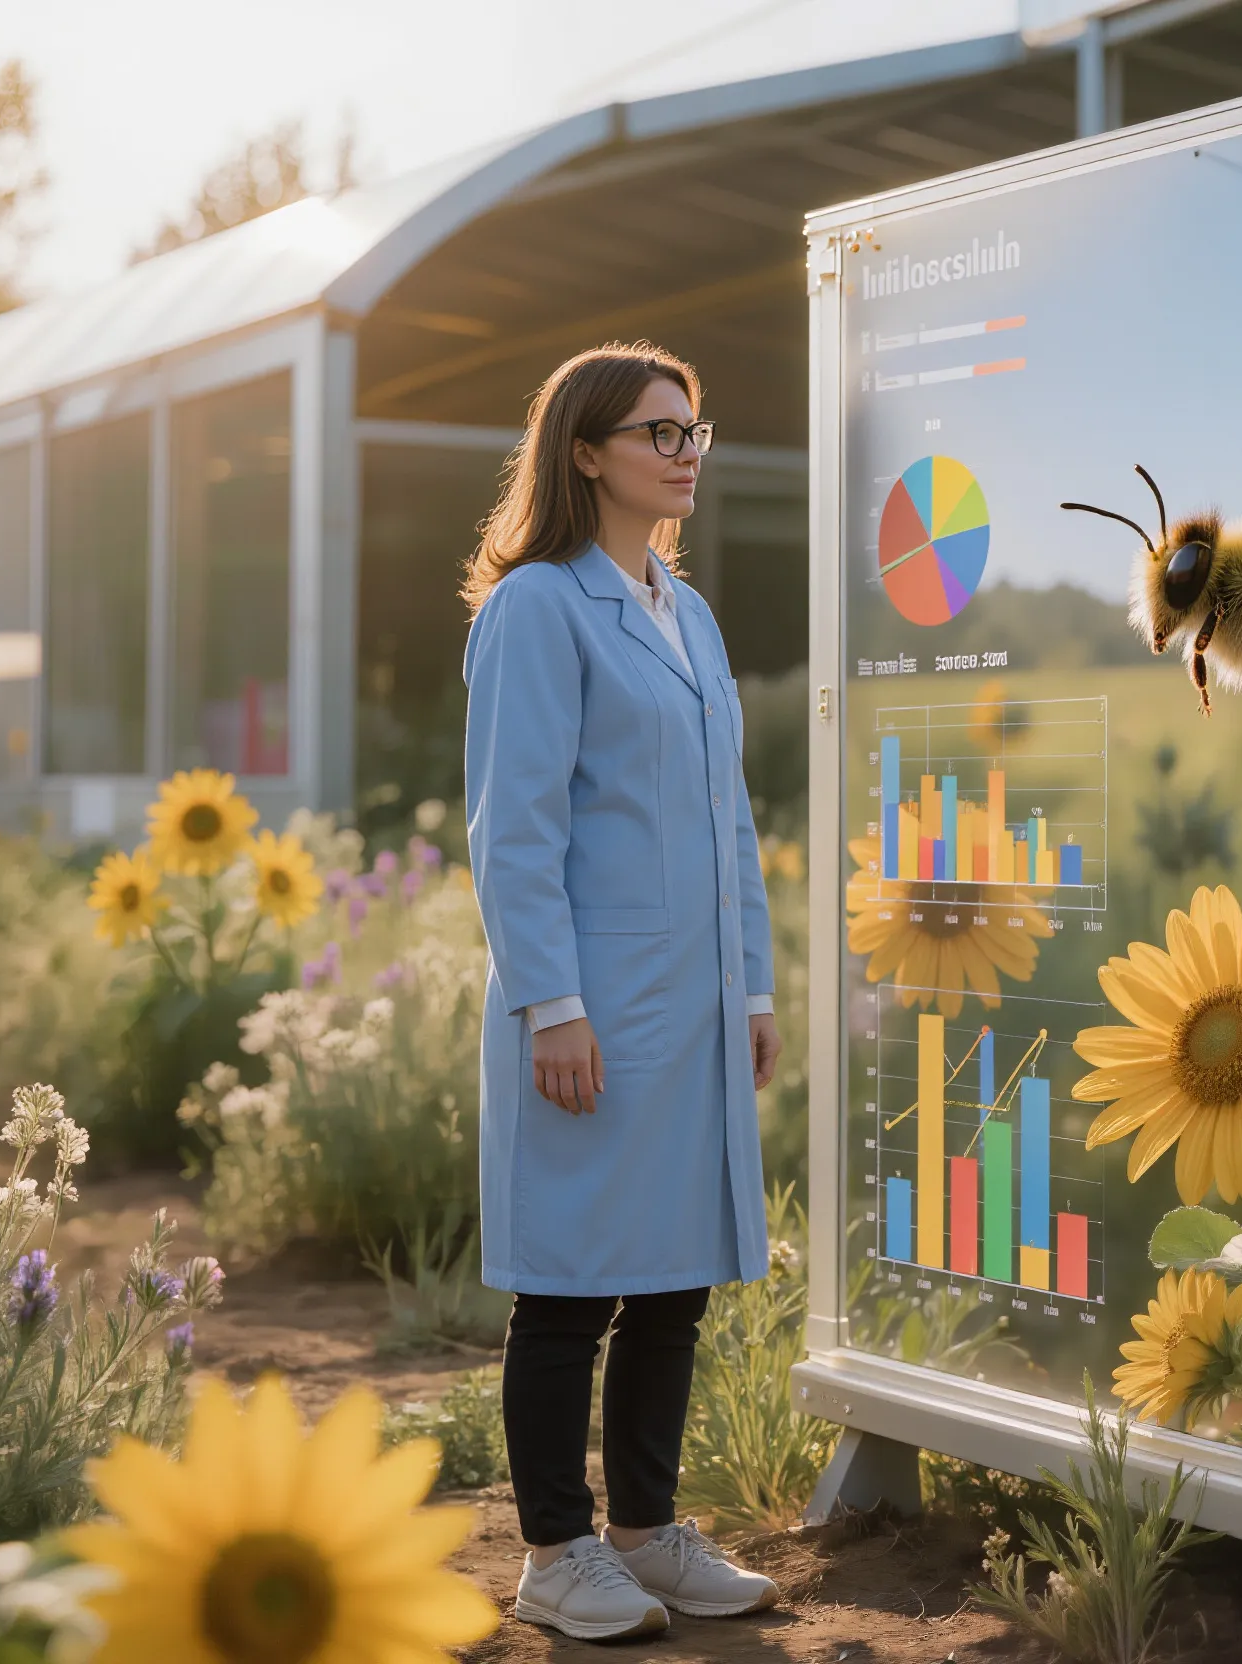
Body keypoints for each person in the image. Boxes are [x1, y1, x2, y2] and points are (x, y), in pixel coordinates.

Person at [462, 341, 784, 1642]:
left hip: (693, 1003)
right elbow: (513, 828)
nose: (685, 451)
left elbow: (733, 823)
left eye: (694, 430)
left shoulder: (689, 615)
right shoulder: (537, 608)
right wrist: (552, 1005)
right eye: (659, 432)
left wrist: (752, 985)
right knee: (572, 1284)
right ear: (585, 451)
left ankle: (644, 1536)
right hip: (593, 1005)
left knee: (672, 1278)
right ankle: (554, 1552)